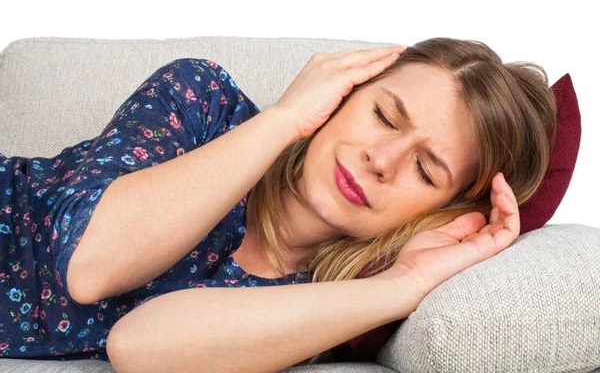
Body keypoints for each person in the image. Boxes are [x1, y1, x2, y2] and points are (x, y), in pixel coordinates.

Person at [0, 38, 556, 370]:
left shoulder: (324, 301)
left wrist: (403, 286)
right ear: (341, 95)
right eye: (383, 115)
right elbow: (92, 266)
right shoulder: (202, 101)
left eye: (424, 168)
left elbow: (139, 346)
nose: (382, 159)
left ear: (442, 211)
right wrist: (286, 118)